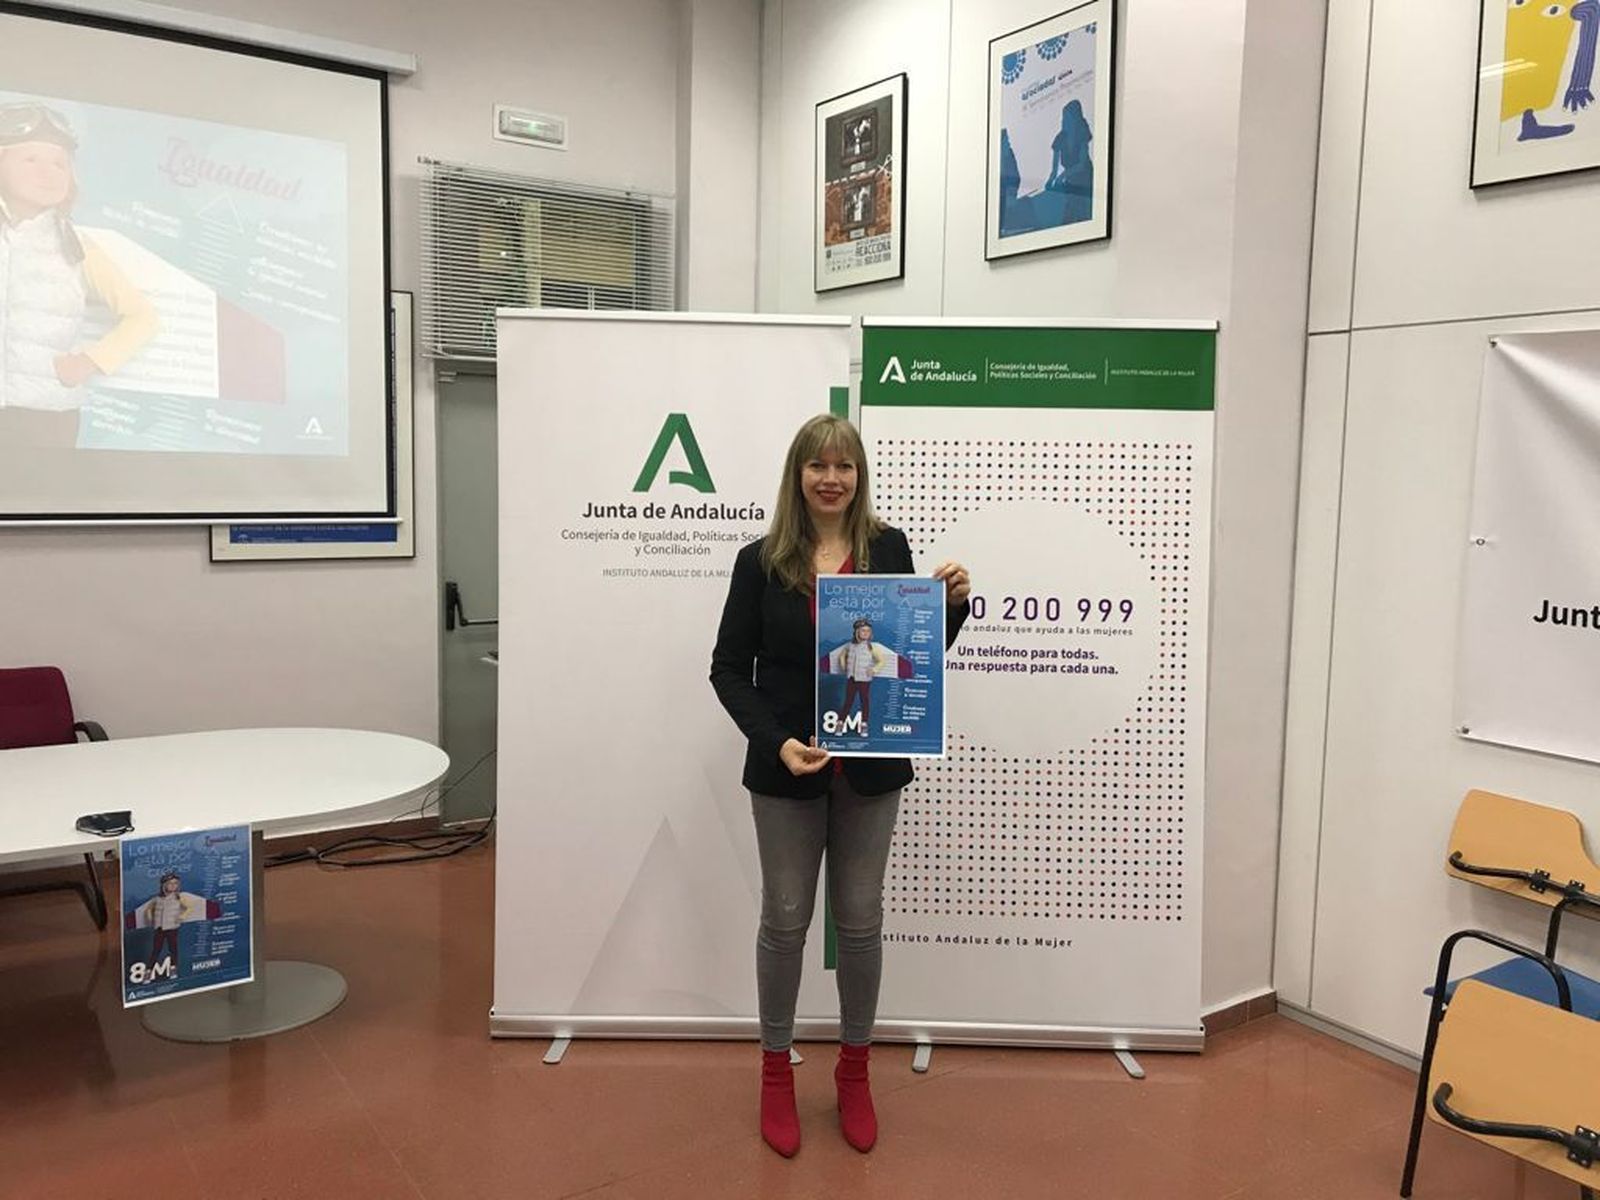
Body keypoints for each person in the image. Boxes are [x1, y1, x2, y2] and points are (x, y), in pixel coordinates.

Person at [709, 413, 972, 1158]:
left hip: (873, 770)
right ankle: (774, 1073)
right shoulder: (759, 562)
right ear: (798, 475)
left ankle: (855, 1071)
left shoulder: (886, 548)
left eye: (845, 466)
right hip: (788, 767)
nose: (832, 478)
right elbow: (728, 668)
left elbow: (914, 651)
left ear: (859, 476)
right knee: (785, 922)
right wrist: (776, 741)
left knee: (859, 920)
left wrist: (949, 609)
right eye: (818, 465)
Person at [0, 101, 158, 447]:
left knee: (36, 500)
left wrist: (89, 362)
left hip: (43, 419)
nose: (49, 172)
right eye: (31, 159)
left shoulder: (76, 246)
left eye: (60, 163)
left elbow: (142, 316)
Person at [142, 871, 190, 975]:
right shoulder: (157, 899)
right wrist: (150, 916)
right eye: (170, 883)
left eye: (175, 883)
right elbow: (149, 909)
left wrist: (183, 916)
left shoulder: (179, 898)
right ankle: (149, 970)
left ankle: (173, 967)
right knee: (156, 949)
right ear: (164, 885)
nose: (173, 886)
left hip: (172, 927)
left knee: (173, 948)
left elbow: (188, 908)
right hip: (159, 928)